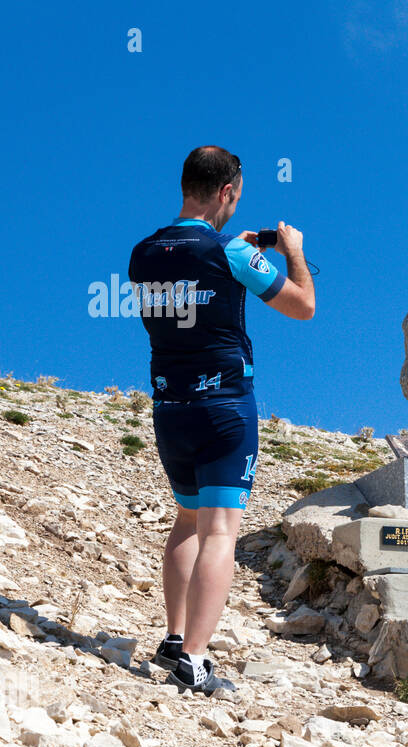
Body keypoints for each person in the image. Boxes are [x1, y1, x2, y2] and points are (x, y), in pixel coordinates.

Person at [127, 145, 316, 693]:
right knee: (220, 531)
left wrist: (239, 250)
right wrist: (293, 252)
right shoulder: (233, 251)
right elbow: (303, 305)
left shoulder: (143, 252)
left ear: (187, 184)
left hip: (170, 406)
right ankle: (196, 659)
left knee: (187, 520)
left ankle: (174, 636)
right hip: (225, 407)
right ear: (228, 192)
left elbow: (192, 271)